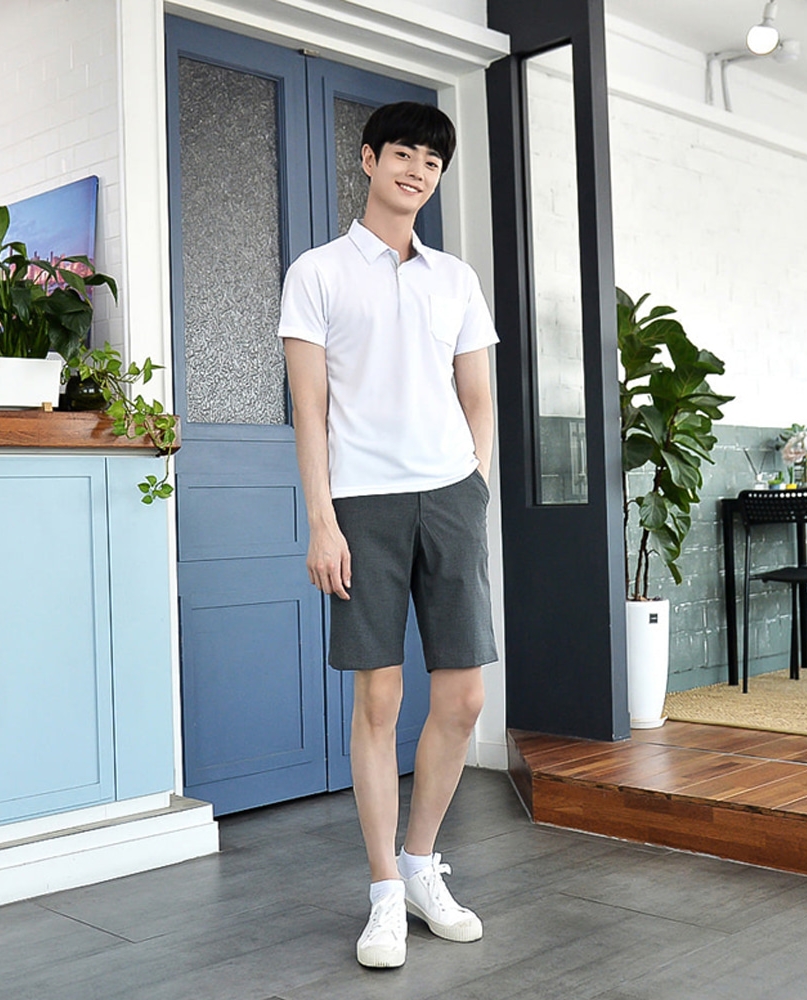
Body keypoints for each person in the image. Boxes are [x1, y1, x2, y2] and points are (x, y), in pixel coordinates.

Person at [278, 101, 498, 969]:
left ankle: (420, 865)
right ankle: (381, 893)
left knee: (464, 697)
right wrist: (321, 520)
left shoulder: (456, 279)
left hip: (449, 497)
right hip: (362, 504)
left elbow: (477, 396)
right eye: (404, 153)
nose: (417, 171)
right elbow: (309, 408)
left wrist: (475, 486)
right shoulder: (318, 272)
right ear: (369, 159)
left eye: (432, 163)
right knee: (379, 699)